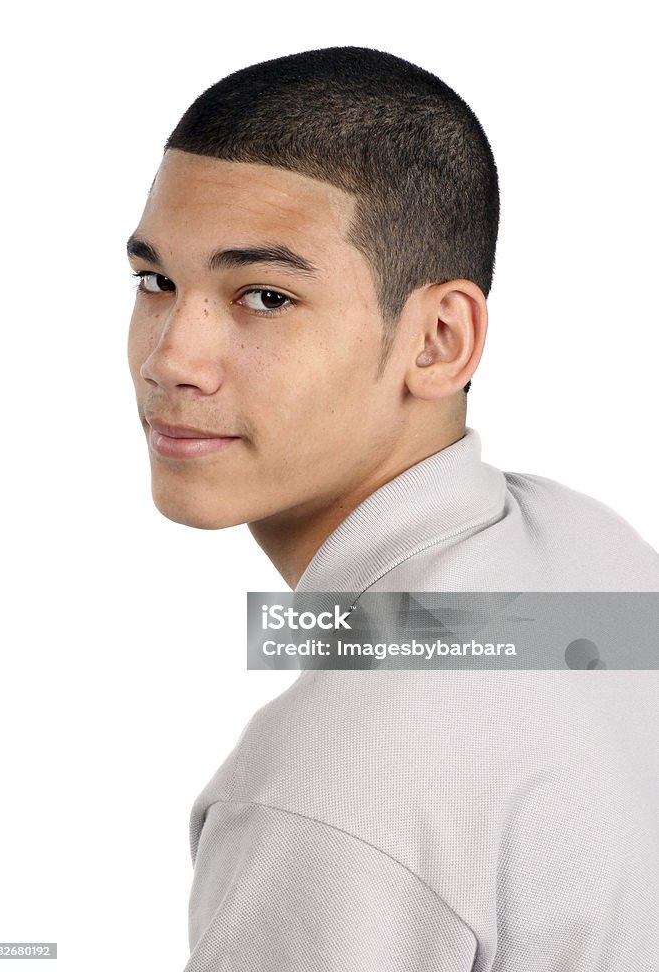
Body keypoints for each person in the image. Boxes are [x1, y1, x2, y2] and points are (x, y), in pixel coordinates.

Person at [126, 47, 659, 971]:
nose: (173, 357)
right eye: (156, 282)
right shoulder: (590, 554)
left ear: (440, 340)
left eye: (264, 296)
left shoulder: (323, 797)